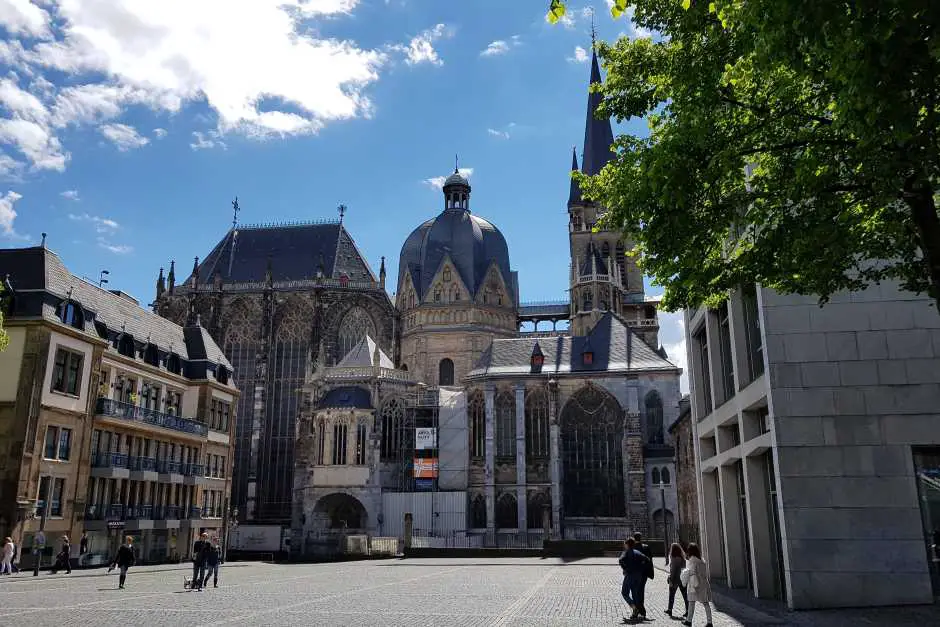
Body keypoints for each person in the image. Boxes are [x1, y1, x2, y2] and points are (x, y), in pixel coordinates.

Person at [619, 537, 650, 622]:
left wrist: (626, 569)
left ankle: (634, 607)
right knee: (635, 593)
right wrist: (641, 568)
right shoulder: (638, 552)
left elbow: (621, 560)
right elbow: (647, 560)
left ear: (627, 544)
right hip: (638, 576)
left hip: (630, 575)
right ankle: (635, 613)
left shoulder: (626, 552)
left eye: (625, 544)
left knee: (624, 592)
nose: (624, 545)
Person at [682, 543, 713, 627]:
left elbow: (691, 572)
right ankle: (710, 622)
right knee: (705, 603)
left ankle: (689, 621)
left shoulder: (692, 560)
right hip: (703, 583)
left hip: (694, 583)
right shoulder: (702, 560)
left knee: (691, 602)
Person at [666, 542, 689, 618]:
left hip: (675, 580)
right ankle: (688, 610)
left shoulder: (673, 558)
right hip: (682, 579)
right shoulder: (683, 558)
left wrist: (671, 580)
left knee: (671, 595)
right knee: (685, 596)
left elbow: (673, 571)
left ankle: (670, 609)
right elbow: (683, 569)